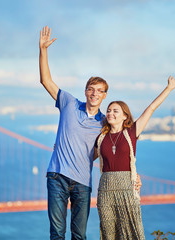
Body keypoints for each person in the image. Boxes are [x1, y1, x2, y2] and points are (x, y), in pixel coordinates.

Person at [39, 25, 141, 240]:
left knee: (80, 235)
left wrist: (134, 175)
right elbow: (46, 81)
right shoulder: (68, 102)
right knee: (57, 233)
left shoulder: (105, 122)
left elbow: (118, 147)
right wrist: (43, 50)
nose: (94, 94)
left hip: (83, 183)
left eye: (100, 91)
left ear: (105, 96)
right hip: (57, 176)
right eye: (91, 89)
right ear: (85, 91)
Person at [95, 76, 175, 240]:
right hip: (105, 191)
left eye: (115, 111)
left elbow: (151, 108)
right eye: (108, 110)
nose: (110, 113)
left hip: (127, 187)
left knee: (132, 232)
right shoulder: (101, 138)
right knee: (108, 234)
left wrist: (168, 88)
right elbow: (85, 156)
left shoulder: (131, 132)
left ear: (125, 116)